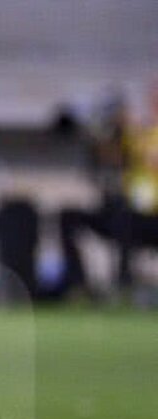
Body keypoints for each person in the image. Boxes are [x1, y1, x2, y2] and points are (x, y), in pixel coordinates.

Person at [58, 80, 158, 302]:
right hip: (129, 213)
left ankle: (124, 285)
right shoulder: (139, 134)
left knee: (126, 219)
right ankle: (78, 285)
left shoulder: (143, 138)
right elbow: (111, 146)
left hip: (149, 217)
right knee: (68, 217)